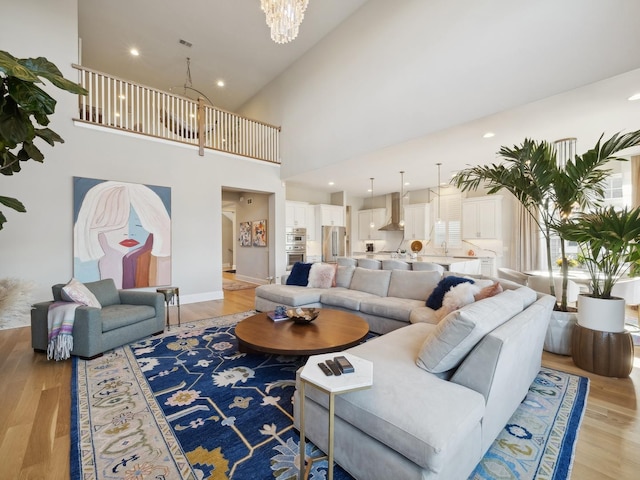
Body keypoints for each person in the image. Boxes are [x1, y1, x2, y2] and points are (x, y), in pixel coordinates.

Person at [74, 179, 171, 288]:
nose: (128, 234)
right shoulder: (83, 268)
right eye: (116, 225)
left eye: (138, 224)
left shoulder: (158, 264)